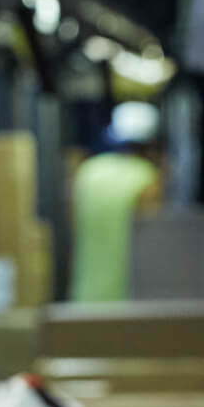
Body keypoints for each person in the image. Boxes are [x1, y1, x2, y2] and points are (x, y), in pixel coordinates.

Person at [68, 101, 162, 303]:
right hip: (127, 300)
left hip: (85, 297)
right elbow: (152, 244)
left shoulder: (89, 171)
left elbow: (75, 226)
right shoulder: (146, 178)